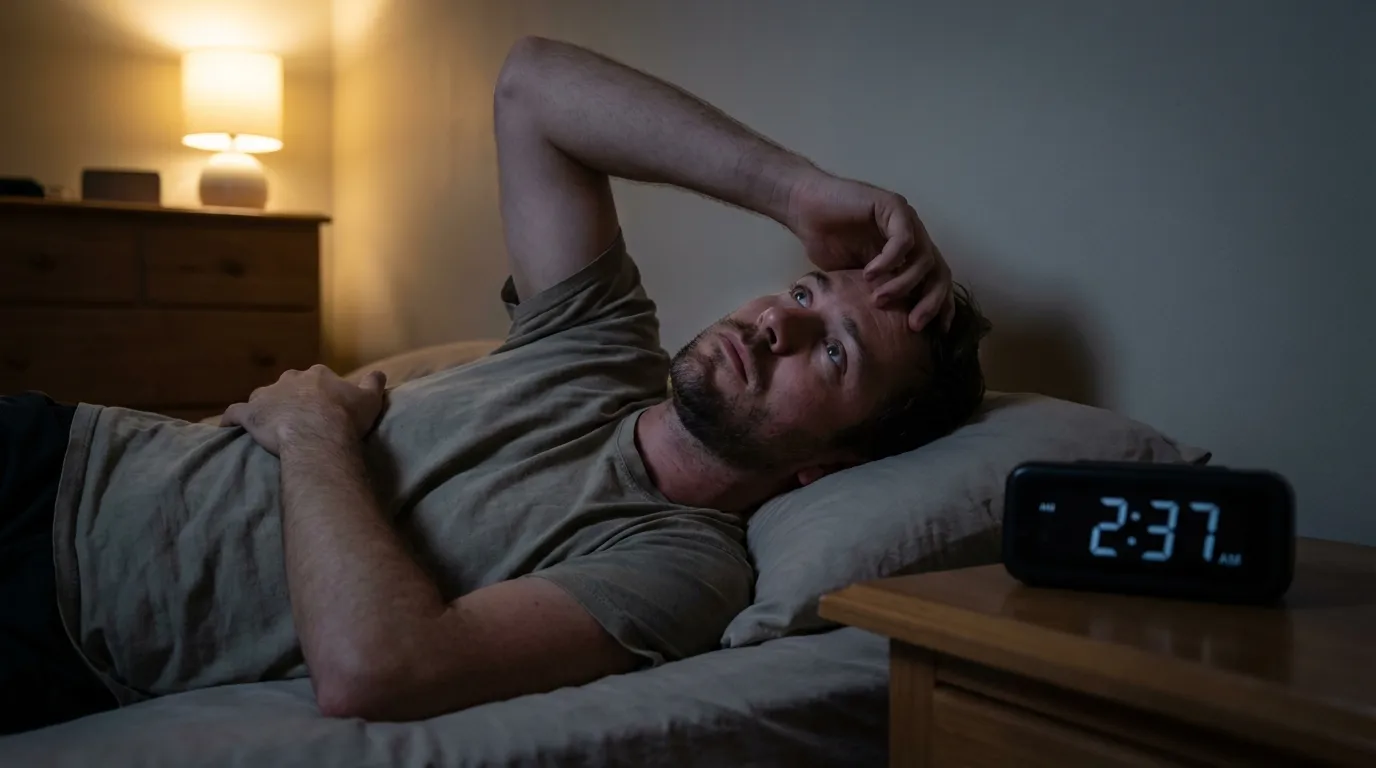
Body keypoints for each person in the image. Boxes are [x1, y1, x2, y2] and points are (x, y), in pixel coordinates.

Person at [0, 37, 990, 735]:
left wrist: (313, 434)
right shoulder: (596, 343)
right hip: (60, 446)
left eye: (832, 353)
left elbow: (380, 673)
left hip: (50, 614)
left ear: (831, 467)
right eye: (803, 289)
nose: (780, 319)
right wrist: (794, 191)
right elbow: (533, 84)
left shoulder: (677, 568)